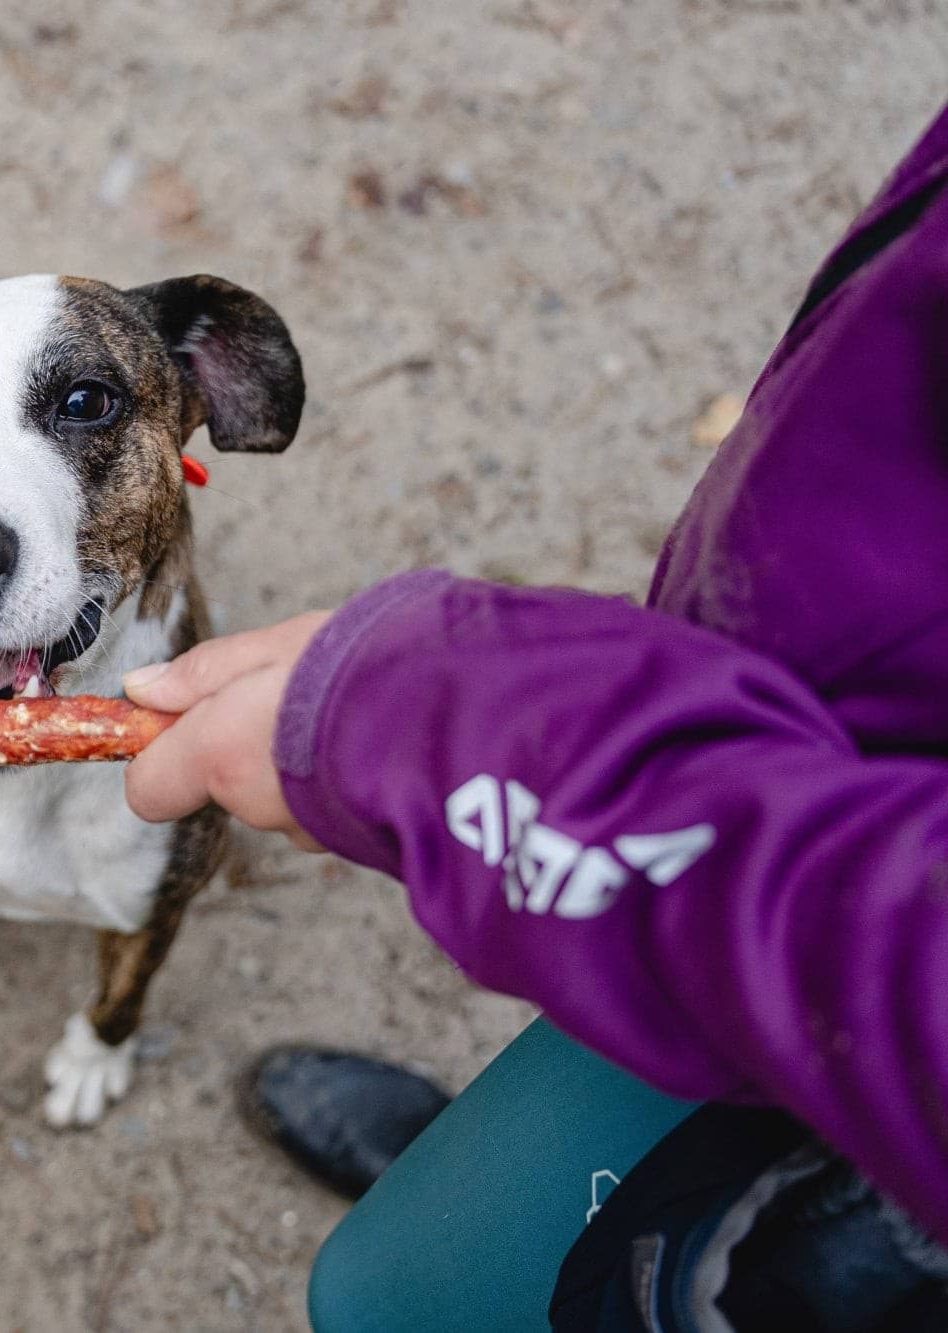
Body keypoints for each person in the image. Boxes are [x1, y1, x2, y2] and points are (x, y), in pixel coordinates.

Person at [124, 101, 948, 1331]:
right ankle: (510, 1178)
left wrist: (455, 733)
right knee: (420, 1247)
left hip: (858, 1152)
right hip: (779, 835)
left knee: (385, 1299)